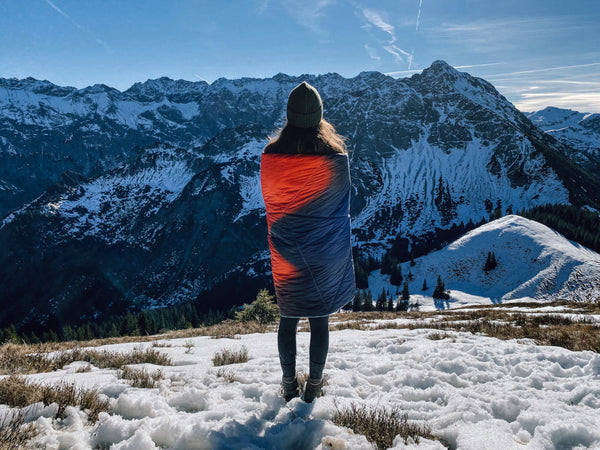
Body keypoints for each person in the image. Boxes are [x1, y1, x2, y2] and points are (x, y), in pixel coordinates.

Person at [260, 81, 355, 403]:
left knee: (288, 318)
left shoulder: (272, 155)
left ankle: (289, 384)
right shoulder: (335, 155)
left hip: (288, 250)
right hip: (326, 249)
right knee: (319, 321)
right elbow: (340, 205)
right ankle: (313, 387)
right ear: (319, 116)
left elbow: (272, 202)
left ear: (289, 116)